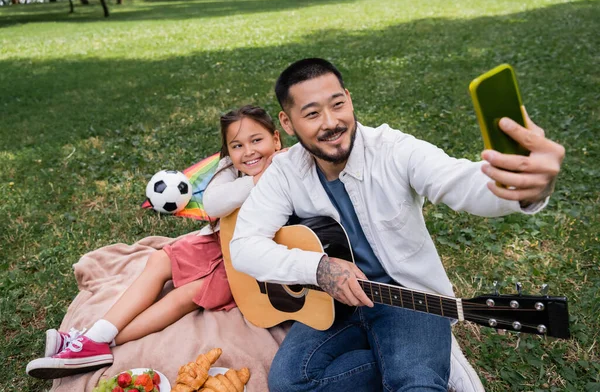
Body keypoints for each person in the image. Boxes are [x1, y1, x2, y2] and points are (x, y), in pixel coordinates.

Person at [229, 58, 565, 391]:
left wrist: (522, 188)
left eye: (338, 104)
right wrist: (319, 269)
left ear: (349, 97)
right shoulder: (285, 171)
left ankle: (424, 363)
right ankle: (422, 359)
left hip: (410, 299)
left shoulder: (395, 150)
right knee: (290, 384)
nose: (331, 123)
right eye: (313, 113)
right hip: (334, 305)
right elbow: (244, 246)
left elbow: (460, 182)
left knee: (414, 385)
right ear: (287, 123)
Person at [26, 105, 284, 379]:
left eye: (257, 140)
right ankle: (92, 339)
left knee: (187, 294)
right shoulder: (230, 168)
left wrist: (271, 175)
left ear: (276, 139)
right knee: (160, 259)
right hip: (218, 241)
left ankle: (96, 342)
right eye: (237, 145)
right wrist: (257, 180)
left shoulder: (288, 167)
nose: (249, 151)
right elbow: (213, 203)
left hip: (251, 258)